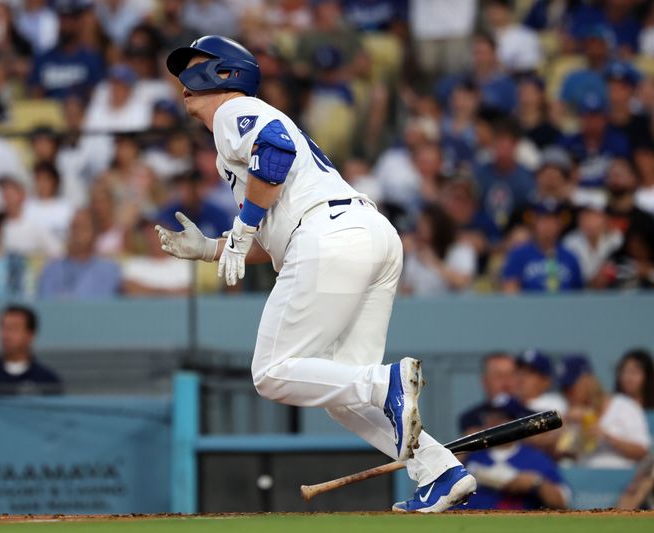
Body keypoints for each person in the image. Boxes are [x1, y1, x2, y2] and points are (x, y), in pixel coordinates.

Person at [156, 35, 474, 513]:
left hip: (330, 235)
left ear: (225, 73)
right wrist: (212, 248)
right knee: (341, 393)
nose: (184, 79)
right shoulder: (234, 141)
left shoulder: (233, 110)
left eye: (195, 66)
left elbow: (275, 151)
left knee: (270, 372)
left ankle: (383, 383)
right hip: (365, 235)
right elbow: (272, 230)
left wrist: (241, 230)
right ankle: (440, 469)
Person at [464, 398, 569, 510]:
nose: (493, 423)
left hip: (519, 522)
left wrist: (537, 484)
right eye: (489, 416)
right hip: (472, 522)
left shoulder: (535, 458)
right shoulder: (471, 455)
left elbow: (562, 501)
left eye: (500, 418)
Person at [556, 354, 651, 468]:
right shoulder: (567, 412)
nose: (567, 393)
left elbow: (642, 451)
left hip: (621, 479)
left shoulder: (624, 406)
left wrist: (606, 437)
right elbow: (561, 454)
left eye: (570, 387)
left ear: (587, 381)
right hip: (583, 479)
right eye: (563, 389)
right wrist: (564, 423)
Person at [0, 305, 62, 395]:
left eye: (14, 328)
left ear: (30, 335)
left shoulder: (47, 381)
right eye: (3, 327)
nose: (5, 335)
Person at [502, 199, 583, 293]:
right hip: (528, 307)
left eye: (552, 221)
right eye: (543, 221)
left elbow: (578, 295)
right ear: (535, 223)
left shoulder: (570, 257)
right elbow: (510, 291)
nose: (548, 226)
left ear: (559, 224)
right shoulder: (519, 254)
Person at [37, 208, 121, 299]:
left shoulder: (109, 270)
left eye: (83, 227)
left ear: (95, 233)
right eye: (74, 227)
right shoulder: (52, 269)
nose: (77, 233)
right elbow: (46, 304)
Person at [400, 204, 476, 296]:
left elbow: (462, 283)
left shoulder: (461, 250)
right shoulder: (414, 253)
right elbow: (407, 290)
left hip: (457, 307)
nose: (420, 230)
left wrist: (434, 262)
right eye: (420, 225)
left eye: (426, 226)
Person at [458, 352, 517, 435]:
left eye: (511, 375)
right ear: (485, 381)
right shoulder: (471, 418)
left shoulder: (530, 413)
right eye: (499, 376)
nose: (506, 382)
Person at [514, 349, 567, 414]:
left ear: (545, 380)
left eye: (529, 372)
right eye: (519, 371)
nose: (521, 378)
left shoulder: (556, 405)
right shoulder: (506, 402)